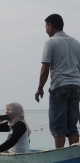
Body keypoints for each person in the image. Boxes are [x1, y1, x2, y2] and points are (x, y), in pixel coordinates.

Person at [35, 14, 80, 148]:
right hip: (76, 87)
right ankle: (74, 157)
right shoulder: (76, 43)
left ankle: (59, 156)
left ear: (50, 26)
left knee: (58, 126)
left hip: (59, 87)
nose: (45, 30)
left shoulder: (51, 42)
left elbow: (45, 68)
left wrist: (39, 88)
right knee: (72, 126)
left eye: (46, 27)